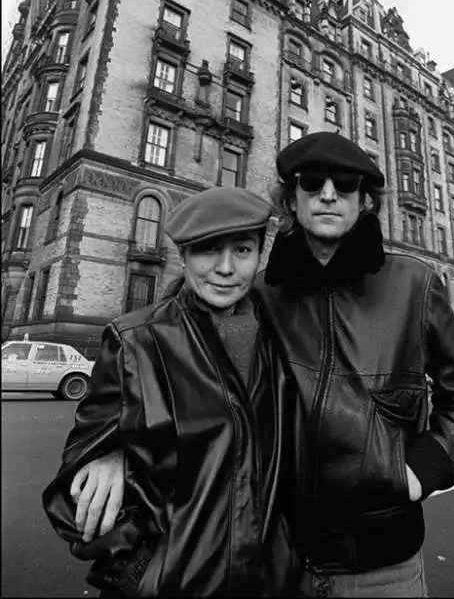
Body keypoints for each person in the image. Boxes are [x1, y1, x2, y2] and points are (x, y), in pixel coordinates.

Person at [65, 132, 454, 598]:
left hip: (381, 563)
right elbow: (171, 353)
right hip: (280, 563)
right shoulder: (260, 293)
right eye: (312, 182)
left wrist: (421, 469)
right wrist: (112, 448)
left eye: (346, 184)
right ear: (291, 198)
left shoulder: (415, 283)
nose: (328, 194)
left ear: (366, 201)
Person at [42, 186, 303, 598]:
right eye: (207, 250)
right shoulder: (135, 341)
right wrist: (143, 571)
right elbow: (73, 490)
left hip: (270, 581)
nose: (225, 268)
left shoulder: (281, 340)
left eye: (242, 250)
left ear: (259, 257)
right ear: (184, 256)